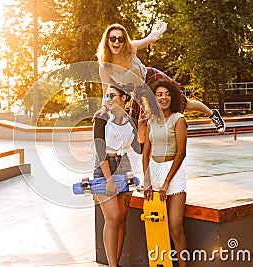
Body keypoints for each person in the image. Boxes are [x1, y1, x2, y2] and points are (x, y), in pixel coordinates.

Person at [95, 22, 226, 138]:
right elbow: (105, 90)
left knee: (185, 103)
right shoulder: (105, 66)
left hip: (151, 78)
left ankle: (212, 114)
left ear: (125, 41)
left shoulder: (131, 48)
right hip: (138, 90)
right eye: (112, 39)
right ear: (107, 41)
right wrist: (103, 108)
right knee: (135, 122)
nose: (116, 42)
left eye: (120, 39)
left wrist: (162, 28)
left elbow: (151, 38)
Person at [93, 82, 142, 267]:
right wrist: (109, 179)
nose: (108, 99)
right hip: (104, 168)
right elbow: (100, 151)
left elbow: (139, 148)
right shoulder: (101, 118)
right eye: (107, 95)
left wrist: (145, 128)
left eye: (112, 95)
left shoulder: (130, 122)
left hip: (124, 167)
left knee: (121, 219)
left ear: (124, 99)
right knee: (112, 217)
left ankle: (117, 262)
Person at [142, 79, 188, 267]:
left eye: (167, 94)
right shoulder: (151, 121)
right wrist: (147, 181)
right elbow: (145, 154)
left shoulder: (178, 119)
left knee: (175, 228)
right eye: (159, 94)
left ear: (173, 97)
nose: (164, 97)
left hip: (174, 175)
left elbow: (181, 153)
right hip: (154, 173)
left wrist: (167, 182)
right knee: (156, 226)